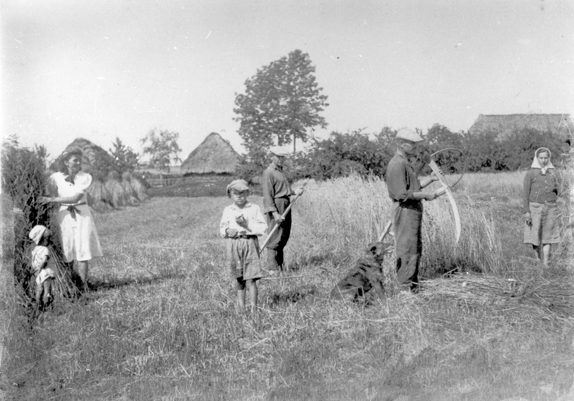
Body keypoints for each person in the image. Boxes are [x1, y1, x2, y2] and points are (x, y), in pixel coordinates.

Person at [384, 129, 441, 291]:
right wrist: (426, 195)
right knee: (407, 247)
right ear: (402, 145)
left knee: (414, 246)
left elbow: (413, 186)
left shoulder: (404, 162)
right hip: (405, 210)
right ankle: (405, 289)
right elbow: (401, 194)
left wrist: (430, 179)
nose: (416, 147)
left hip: (412, 210)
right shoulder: (397, 164)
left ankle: (412, 286)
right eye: (413, 144)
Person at [39, 147, 103, 292]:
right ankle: (70, 285)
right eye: (75, 160)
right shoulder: (56, 177)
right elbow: (47, 190)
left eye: (80, 160)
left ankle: (82, 286)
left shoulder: (85, 177)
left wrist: (52, 199)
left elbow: (76, 197)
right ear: (66, 161)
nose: (78, 162)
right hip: (64, 215)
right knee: (66, 248)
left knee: (82, 249)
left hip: (82, 214)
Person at [219, 179, 268, 312]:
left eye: (242, 193)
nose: (239, 196)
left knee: (251, 278)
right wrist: (228, 231)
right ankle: (241, 308)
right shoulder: (228, 210)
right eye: (235, 193)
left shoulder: (254, 208)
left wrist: (247, 226)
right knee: (239, 278)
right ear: (230, 195)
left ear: (247, 193)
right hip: (234, 245)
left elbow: (263, 227)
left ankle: (253, 308)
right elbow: (222, 228)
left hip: (250, 243)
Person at [261, 145, 303, 276]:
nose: (280, 159)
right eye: (278, 157)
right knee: (274, 237)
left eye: (282, 157)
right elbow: (267, 195)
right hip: (276, 206)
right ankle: (272, 269)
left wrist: (295, 192)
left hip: (286, 203)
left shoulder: (280, 172)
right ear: (272, 157)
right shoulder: (268, 172)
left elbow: (285, 190)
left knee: (283, 236)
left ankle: (280, 266)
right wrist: (274, 213)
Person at [523, 147, 561, 266]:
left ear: (549, 158)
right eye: (541, 158)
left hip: (551, 208)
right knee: (535, 235)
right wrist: (527, 212)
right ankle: (537, 260)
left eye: (546, 158)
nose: (543, 160)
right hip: (535, 208)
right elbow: (525, 193)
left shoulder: (554, 173)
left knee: (548, 236)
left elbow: (560, 190)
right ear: (537, 158)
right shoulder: (531, 173)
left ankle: (545, 263)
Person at [29, 225, 56, 311]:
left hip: (39, 274)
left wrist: (36, 270)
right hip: (46, 273)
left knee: (39, 290)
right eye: (47, 239)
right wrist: (41, 267)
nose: (48, 241)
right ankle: (47, 307)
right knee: (47, 291)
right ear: (42, 239)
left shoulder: (35, 249)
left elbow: (33, 262)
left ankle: (37, 305)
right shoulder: (45, 249)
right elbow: (44, 260)